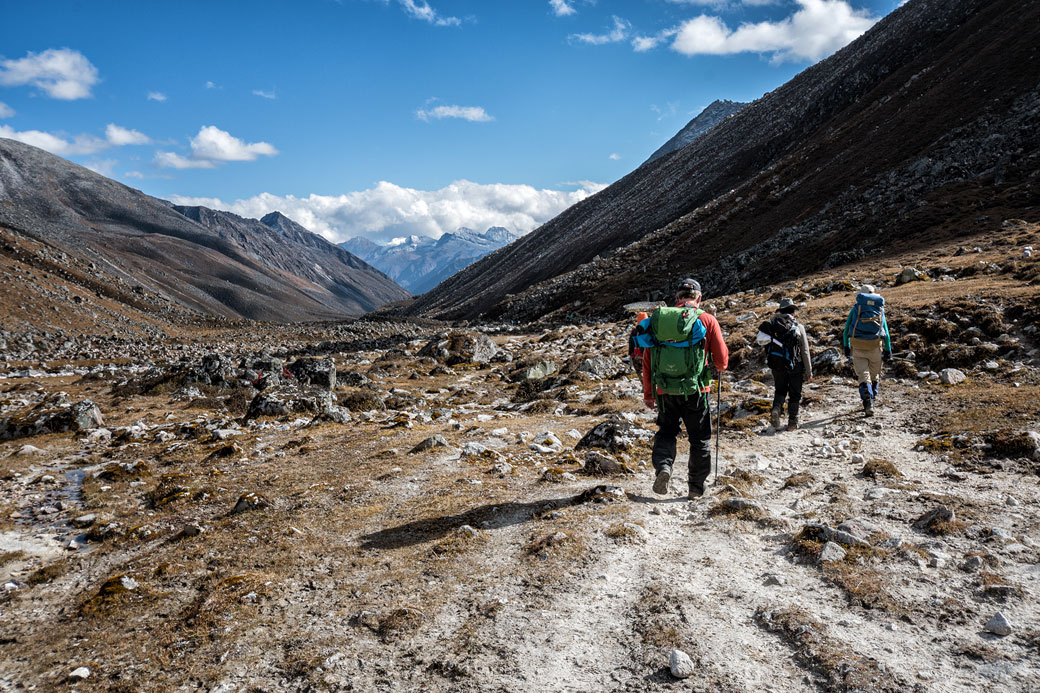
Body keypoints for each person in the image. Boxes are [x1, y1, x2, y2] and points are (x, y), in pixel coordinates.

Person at [641, 278, 729, 499]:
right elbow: (722, 361)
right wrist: (716, 367)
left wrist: (649, 394)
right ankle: (696, 488)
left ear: (677, 298)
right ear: (699, 298)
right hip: (696, 390)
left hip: (665, 390)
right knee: (699, 439)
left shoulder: (659, 320)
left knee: (667, 432)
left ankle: (663, 468)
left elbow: (648, 359)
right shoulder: (707, 319)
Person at [756, 298, 813, 431]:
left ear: (780, 311)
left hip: (777, 365)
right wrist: (809, 371)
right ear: (793, 311)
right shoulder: (798, 327)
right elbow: (805, 351)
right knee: (795, 393)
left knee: (780, 390)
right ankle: (792, 422)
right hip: (795, 365)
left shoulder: (772, 325)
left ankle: (776, 409)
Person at [842, 285, 892, 416]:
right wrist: (888, 350)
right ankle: (872, 399)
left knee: (863, 376)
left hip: (858, 347)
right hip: (875, 346)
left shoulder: (855, 309)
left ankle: (867, 402)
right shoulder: (879, 309)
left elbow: (846, 330)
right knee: (874, 375)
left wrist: (846, 347)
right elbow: (885, 331)